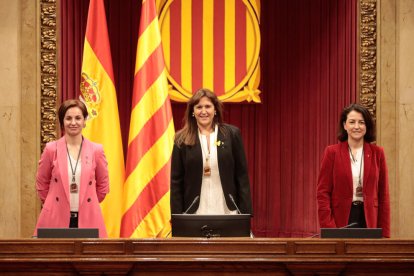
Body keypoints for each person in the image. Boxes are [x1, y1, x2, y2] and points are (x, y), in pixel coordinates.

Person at [170, 88, 252, 215]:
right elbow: (176, 182)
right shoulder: (181, 139)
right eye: (199, 107)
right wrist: (176, 217)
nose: (203, 111)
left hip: (227, 209)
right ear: (193, 111)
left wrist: (245, 214)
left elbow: (242, 176)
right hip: (194, 211)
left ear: (215, 110)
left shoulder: (232, 134)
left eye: (208, 106)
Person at [34, 99, 109, 238]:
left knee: (90, 259)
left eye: (78, 118)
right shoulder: (51, 149)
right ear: (62, 122)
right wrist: (57, 203)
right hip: (55, 216)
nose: (73, 122)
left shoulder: (96, 150)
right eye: (68, 118)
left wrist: (86, 201)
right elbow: (41, 184)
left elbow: (103, 187)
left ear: (84, 121)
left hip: (88, 217)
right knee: (53, 258)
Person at [317, 103, 390, 237]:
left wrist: (384, 233)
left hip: (369, 219)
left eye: (361, 122)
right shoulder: (331, 152)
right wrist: (329, 228)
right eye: (352, 122)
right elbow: (323, 193)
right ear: (345, 125)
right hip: (341, 219)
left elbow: (383, 195)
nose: (357, 126)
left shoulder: (378, 153)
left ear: (366, 126)